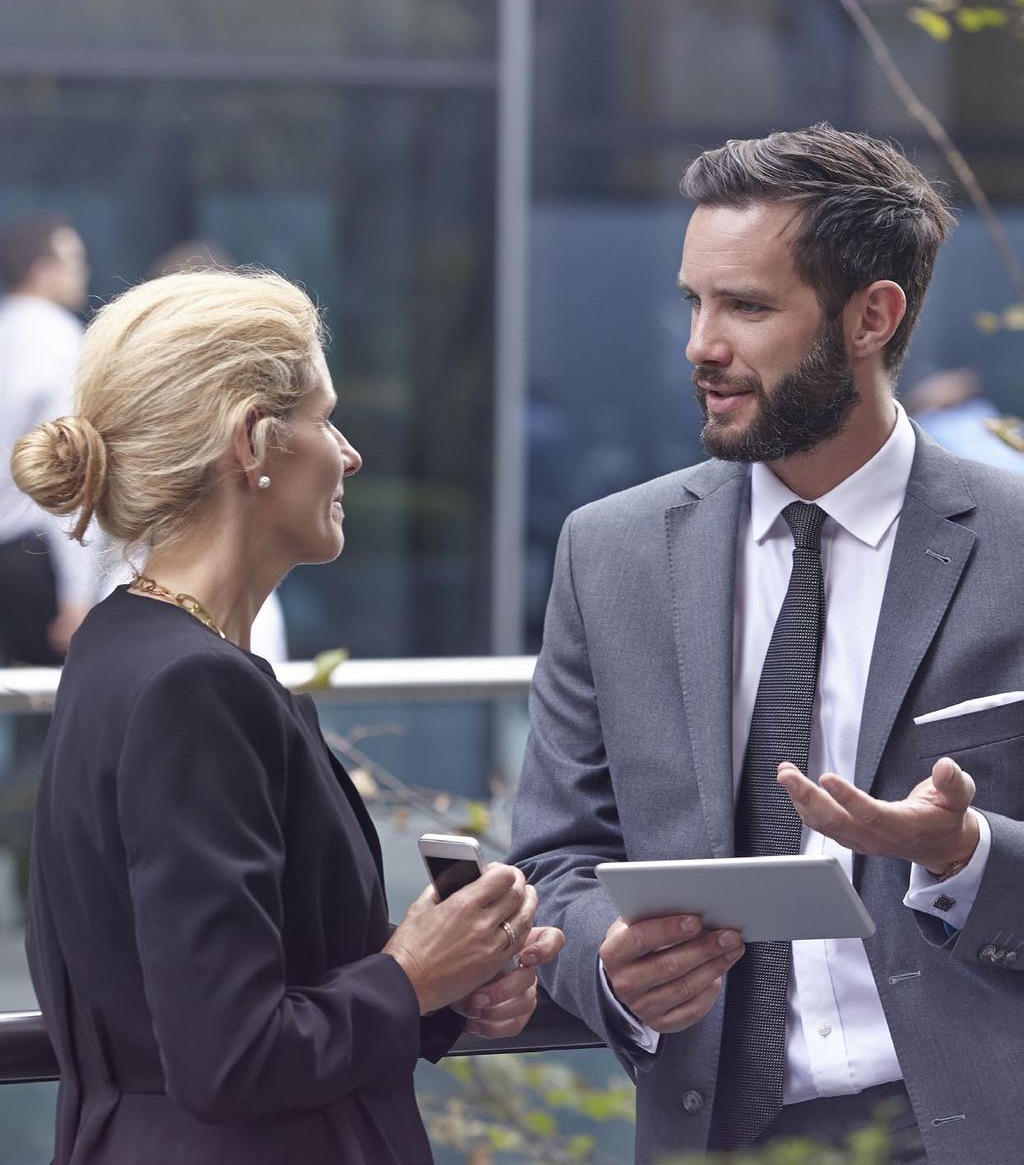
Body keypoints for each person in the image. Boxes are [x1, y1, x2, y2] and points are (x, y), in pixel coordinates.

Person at [510, 123, 1024, 1165]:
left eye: (744, 305)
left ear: (872, 316)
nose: (699, 342)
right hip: (713, 1134)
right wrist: (609, 973)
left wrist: (960, 855)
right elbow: (555, 856)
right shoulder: (607, 554)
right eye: (694, 300)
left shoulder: (1014, 543)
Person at [12, 269, 563, 1165]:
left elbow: (230, 992)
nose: (347, 454)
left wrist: (440, 976)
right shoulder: (194, 686)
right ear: (252, 441)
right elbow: (229, 1056)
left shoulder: (125, 646)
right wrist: (409, 974)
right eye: (323, 417)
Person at [0, 215, 96, 664]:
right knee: (45, 716)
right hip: (32, 563)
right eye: (73, 261)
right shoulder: (60, 339)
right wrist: (78, 592)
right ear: (43, 271)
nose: (84, 272)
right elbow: (69, 469)